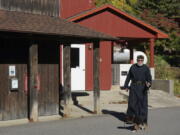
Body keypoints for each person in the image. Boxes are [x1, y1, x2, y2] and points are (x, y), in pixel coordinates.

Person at [124, 55, 152, 131]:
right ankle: (135, 124)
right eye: (139, 60)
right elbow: (128, 77)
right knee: (133, 106)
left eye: (141, 60)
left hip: (143, 88)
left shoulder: (146, 68)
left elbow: (149, 78)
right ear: (137, 60)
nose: (140, 61)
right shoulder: (133, 67)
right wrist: (126, 85)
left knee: (143, 107)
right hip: (133, 88)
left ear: (143, 60)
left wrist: (149, 84)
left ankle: (143, 123)